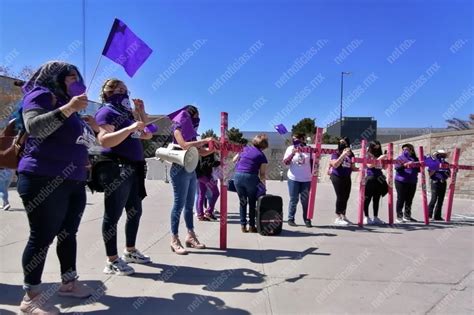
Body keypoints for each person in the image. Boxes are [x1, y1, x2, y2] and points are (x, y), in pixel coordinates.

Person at [17, 61, 96, 314]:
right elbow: (35, 127)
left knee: (68, 234)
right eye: (71, 77)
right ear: (57, 78)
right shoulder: (42, 94)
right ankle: (31, 297)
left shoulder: (69, 105)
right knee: (41, 237)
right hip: (43, 177)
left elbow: (82, 142)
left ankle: (69, 283)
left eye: (77, 76)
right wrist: (68, 108)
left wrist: (89, 128)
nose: (76, 80)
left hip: (73, 179)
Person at [94, 78, 153, 276]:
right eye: (119, 89)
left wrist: (141, 112)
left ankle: (130, 250)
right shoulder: (106, 111)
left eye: (126, 90)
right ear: (108, 92)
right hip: (116, 167)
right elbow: (104, 139)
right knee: (113, 214)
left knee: (135, 211)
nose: (124, 93)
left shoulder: (126, 114)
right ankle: (111, 260)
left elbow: (147, 134)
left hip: (133, 167)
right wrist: (128, 129)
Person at [169, 105, 214, 254]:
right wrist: (204, 140)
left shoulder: (192, 134)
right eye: (196, 116)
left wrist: (214, 148)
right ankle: (174, 239)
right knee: (179, 204)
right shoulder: (178, 128)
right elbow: (183, 145)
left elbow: (200, 152)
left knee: (189, 206)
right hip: (179, 168)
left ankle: (190, 235)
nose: (197, 119)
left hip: (191, 169)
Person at [233, 134, 268, 233]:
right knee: (252, 203)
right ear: (264, 146)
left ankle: (243, 226)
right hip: (251, 178)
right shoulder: (262, 156)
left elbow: (233, 160)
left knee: (242, 202)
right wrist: (263, 186)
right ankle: (252, 226)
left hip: (238, 177)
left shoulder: (244, 149)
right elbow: (262, 174)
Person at [283, 133, 312, 228]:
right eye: (293, 139)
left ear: (303, 139)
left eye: (297, 139)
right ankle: (291, 219)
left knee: (305, 200)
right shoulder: (290, 148)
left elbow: (313, 162)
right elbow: (286, 162)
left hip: (306, 179)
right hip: (293, 178)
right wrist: (292, 153)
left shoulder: (309, 149)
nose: (295, 141)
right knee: (293, 199)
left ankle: (307, 219)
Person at [330, 137, 358, 225]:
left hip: (347, 177)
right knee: (340, 196)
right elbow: (335, 165)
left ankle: (343, 215)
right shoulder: (335, 152)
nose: (343, 144)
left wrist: (361, 169)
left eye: (345, 142)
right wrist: (343, 155)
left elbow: (352, 167)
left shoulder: (351, 154)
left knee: (346, 196)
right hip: (337, 176)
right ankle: (338, 216)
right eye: (341, 142)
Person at [364, 140, 388, 225]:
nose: (377, 149)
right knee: (367, 198)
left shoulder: (379, 154)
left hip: (379, 178)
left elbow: (385, 168)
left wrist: (386, 159)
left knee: (377, 198)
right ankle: (366, 217)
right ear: (371, 147)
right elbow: (370, 165)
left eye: (378, 147)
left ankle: (375, 217)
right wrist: (380, 158)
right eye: (375, 147)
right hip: (370, 177)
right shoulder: (368, 154)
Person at [394, 143, 420, 223]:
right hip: (401, 181)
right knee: (401, 199)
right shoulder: (400, 158)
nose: (406, 151)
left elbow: (418, 170)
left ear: (412, 150)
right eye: (404, 149)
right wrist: (405, 165)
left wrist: (416, 164)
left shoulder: (415, 158)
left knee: (409, 200)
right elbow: (397, 168)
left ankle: (407, 216)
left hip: (412, 181)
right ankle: (399, 216)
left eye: (408, 149)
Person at [195, 150, 220, 221]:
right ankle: (209, 211)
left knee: (201, 194)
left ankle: (200, 214)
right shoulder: (209, 152)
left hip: (199, 175)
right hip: (205, 176)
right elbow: (208, 164)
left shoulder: (200, 151)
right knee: (216, 193)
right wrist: (219, 163)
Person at [426, 149, 450, 221]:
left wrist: (447, 173)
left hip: (443, 182)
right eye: (440, 155)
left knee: (441, 200)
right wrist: (436, 168)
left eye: (443, 155)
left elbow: (449, 174)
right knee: (434, 199)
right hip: (435, 182)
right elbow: (430, 174)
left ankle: (437, 216)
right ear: (437, 155)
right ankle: (428, 215)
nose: (442, 157)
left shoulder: (446, 164)